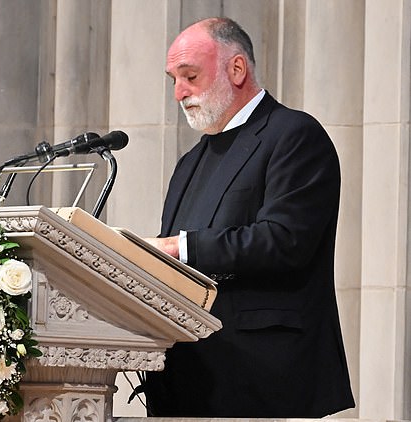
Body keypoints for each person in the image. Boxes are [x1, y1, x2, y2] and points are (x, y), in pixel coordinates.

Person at [142, 17, 355, 417]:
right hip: (188, 374)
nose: (178, 93)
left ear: (236, 69)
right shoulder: (190, 162)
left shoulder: (293, 135)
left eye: (189, 76)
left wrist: (177, 246)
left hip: (262, 374)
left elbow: (284, 240)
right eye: (173, 79)